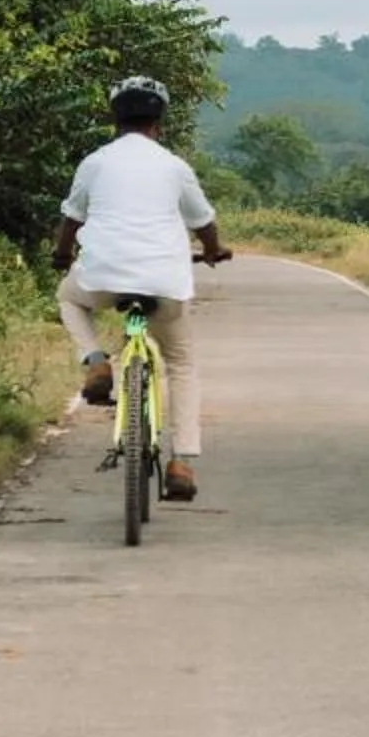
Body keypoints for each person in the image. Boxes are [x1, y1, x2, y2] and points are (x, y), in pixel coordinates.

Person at [52, 75, 230, 501]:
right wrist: (213, 250)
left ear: (114, 119)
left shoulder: (95, 162)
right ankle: (182, 461)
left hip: (102, 278)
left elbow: (71, 220)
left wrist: (62, 255)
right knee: (181, 364)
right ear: (159, 123)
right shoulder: (174, 166)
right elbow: (203, 222)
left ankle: (95, 360)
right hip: (164, 284)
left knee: (68, 298)